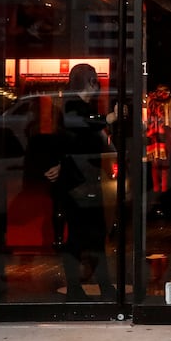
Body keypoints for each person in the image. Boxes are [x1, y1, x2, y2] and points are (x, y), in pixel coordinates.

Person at [25, 63, 116, 299]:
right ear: (91, 82)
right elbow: (79, 130)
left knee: (87, 236)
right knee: (85, 236)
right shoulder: (73, 106)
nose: (98, 87)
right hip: (78, 182)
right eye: (95, 81)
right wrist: (107, 118)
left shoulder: (75, 106)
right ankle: (89, 288)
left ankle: (91, 287)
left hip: (80, 179)